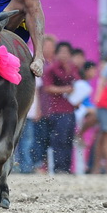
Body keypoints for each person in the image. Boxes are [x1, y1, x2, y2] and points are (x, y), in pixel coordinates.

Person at [40, 41, 79, 173]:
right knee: (59, 140)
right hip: (57, 110)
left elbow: (77, 85)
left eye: (67, 52)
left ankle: (67, 168)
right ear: (56, 54)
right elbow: (47, 87)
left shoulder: (73, 68)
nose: (64, 55)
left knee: (69, 139)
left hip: (71, 108)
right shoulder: (52, 69)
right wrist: (65, 90)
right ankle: (59, 168)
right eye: (61, 52)